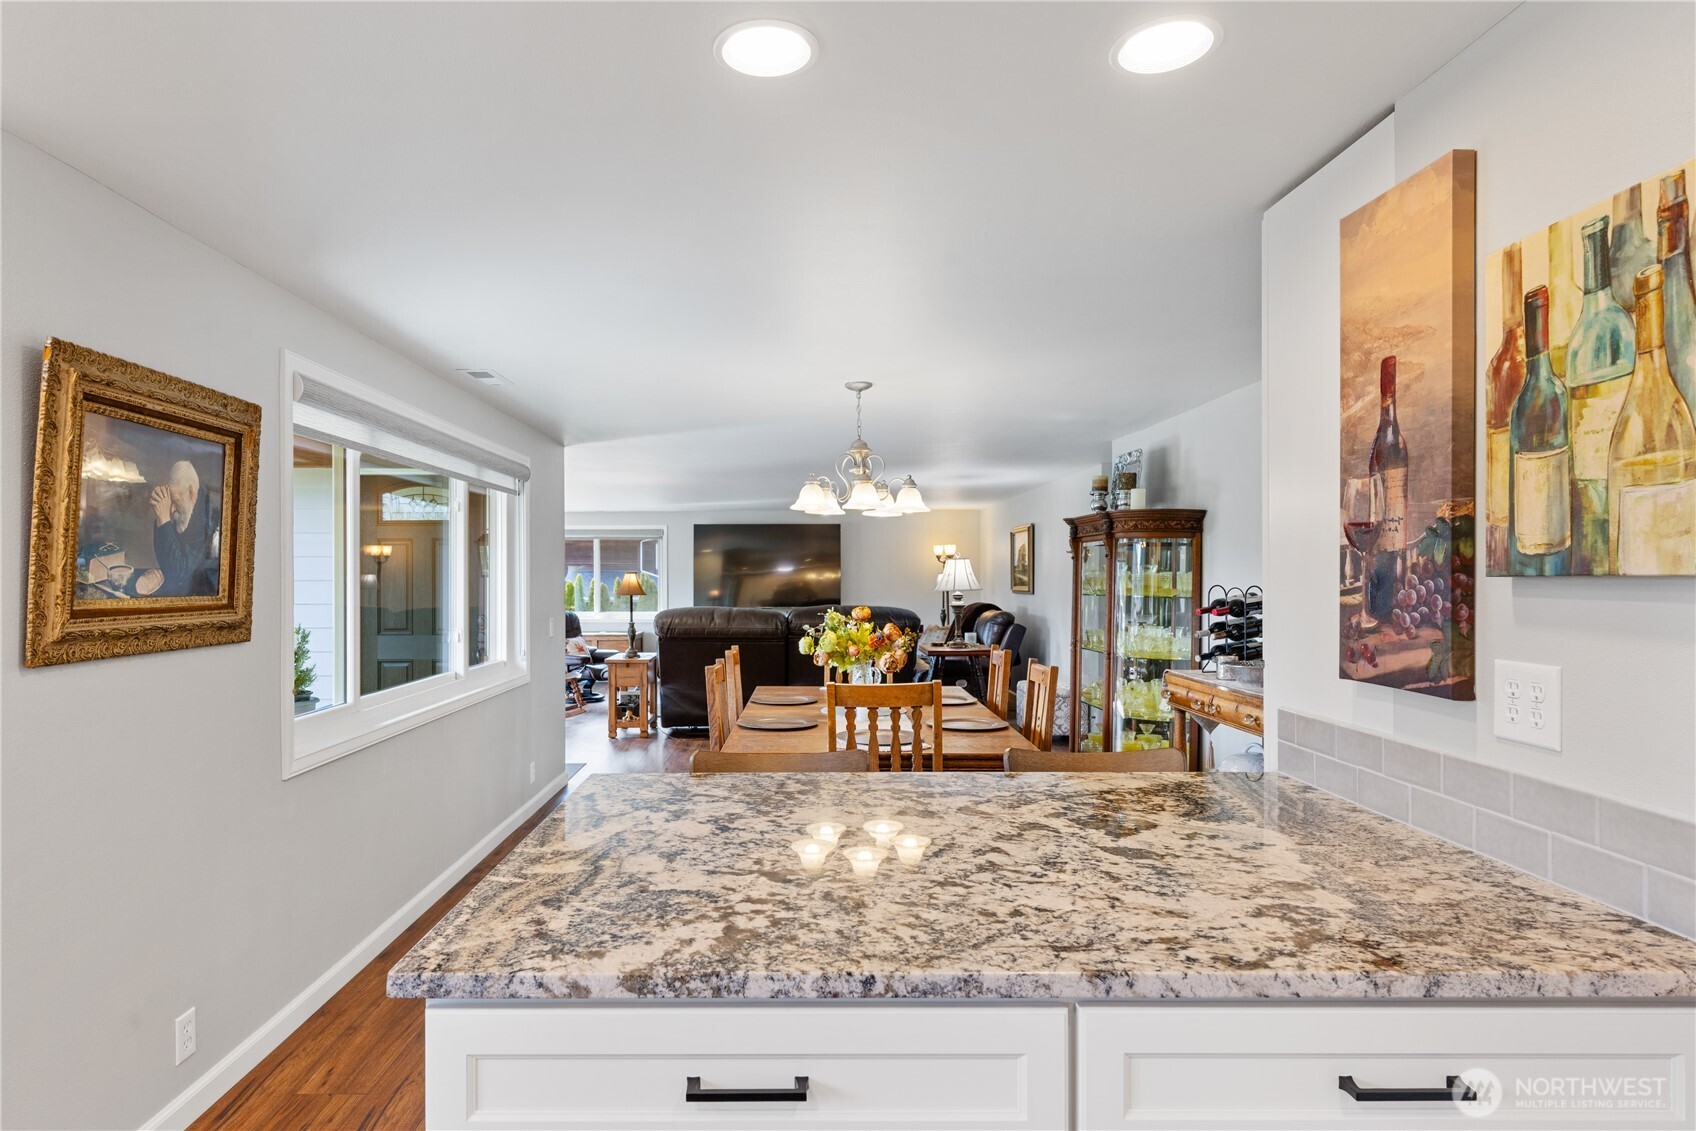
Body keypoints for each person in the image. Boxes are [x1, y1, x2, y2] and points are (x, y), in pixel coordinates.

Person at [149, 460, 218, 597]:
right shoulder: (185, 509)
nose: (171, 509)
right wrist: (160, 516)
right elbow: (165, 562)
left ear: (191, 492)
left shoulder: (207, 520)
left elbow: (179, 573)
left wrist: (163, 520)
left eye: (175, 501)